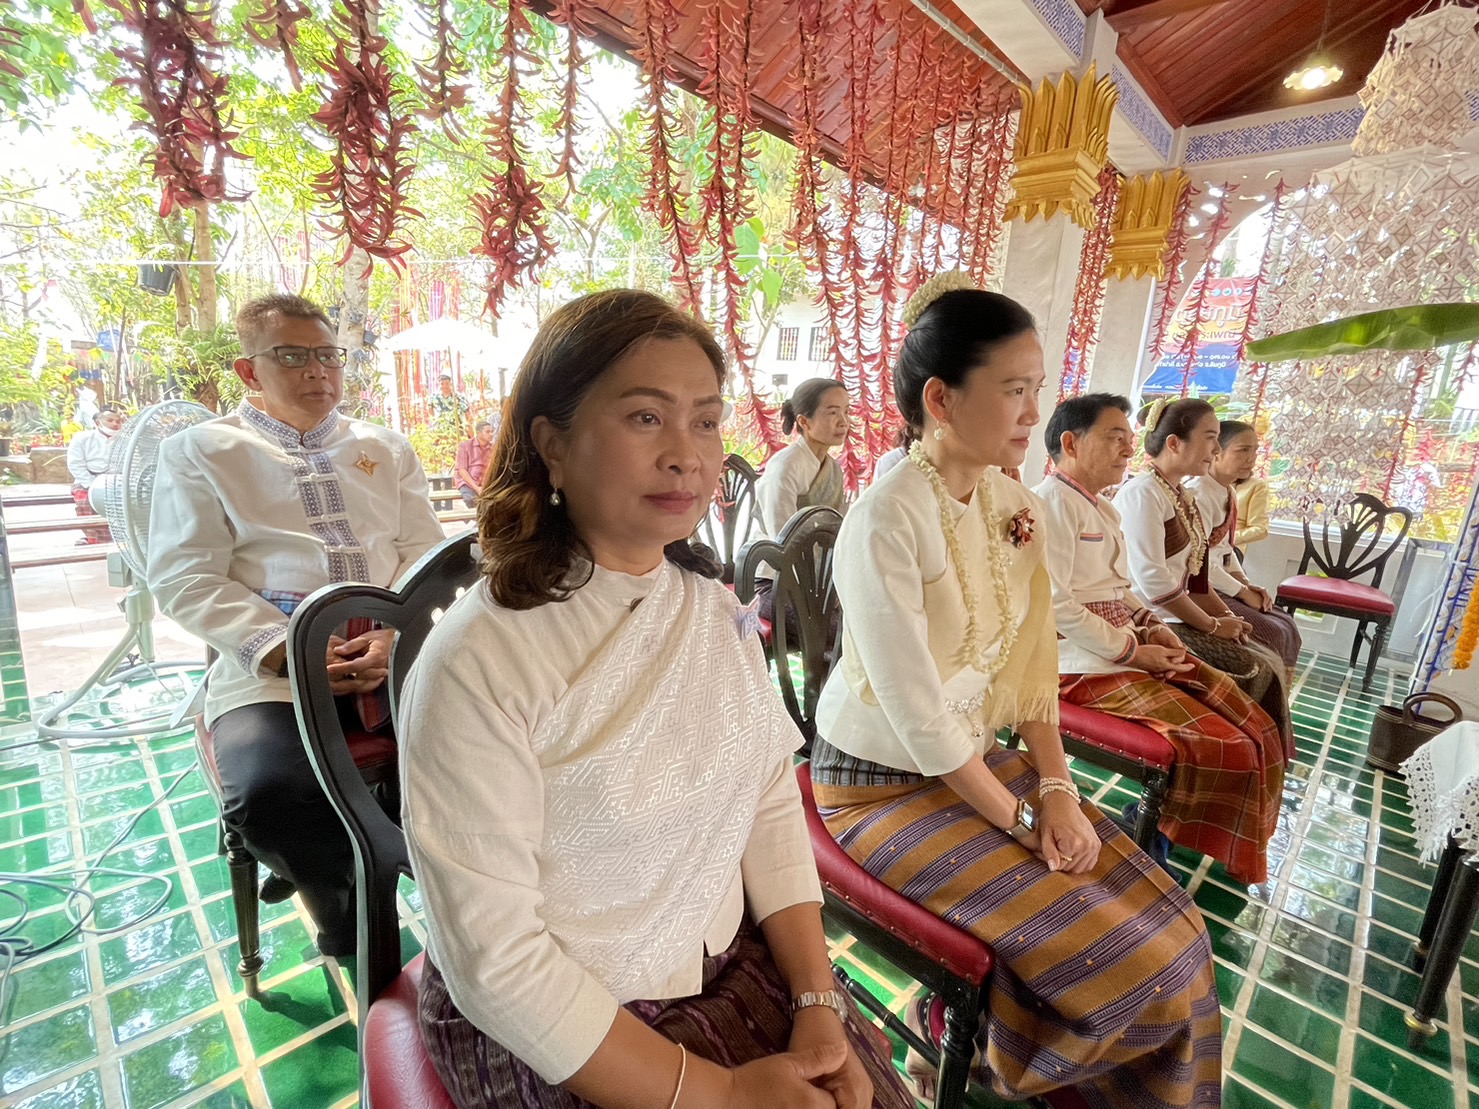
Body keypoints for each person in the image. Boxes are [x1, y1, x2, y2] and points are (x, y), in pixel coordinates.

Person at [398, 290, 912, 1109]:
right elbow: (498, 959)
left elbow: (767, 806)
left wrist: (818, 1002)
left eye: (705, 421)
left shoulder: (712, 608)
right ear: (552, 444)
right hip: (557, 1021)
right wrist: (719, 1093)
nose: (686, 455)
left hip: (724, 958)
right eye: (645, 418)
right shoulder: (480, 657)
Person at [810, 272, 1223, 1108]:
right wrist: (1026, 817)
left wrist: (1060, 789)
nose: (1036, 412)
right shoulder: (884, 515)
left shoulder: (1006, 502)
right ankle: (995, 1060)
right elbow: (919, 717)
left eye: (1037, 388)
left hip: (973, 762)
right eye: (1014, 390)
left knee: (1177, 930)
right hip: (875, 785)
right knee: (1128, 962)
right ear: (942, 398)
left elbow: (1032, 663)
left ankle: (1009, 1061)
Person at [147, 293, 445, 957]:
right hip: (273, 670)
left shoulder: (383, 448)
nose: (318, 372)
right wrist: (287, 652)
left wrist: (398, 630)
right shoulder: (204, 451)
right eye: (293, 355)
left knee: (486, 746)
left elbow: (424, 551)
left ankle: (418, 876)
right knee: (268, 797)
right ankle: (339, 908)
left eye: (328, 355)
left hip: (389, 651)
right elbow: (183, 577)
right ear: (249, 370)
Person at [1035, 393, 1285, 884]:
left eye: (1129, 438)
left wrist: (1148, 629)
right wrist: (1133, 649)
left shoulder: (1099, 506)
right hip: (1075, 662)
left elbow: (1123, 589)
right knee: (1227, 744)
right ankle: (1155, 837)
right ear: (1070, 442)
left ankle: (1158, 833)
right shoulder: (1050, 504)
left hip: (1120, 646)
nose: (1129, 448)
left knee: (1251, 717)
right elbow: (1055, 605)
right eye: (1115, 437)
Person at [1116, 398, 1293, 758]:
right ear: (1174, 444)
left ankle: (1255, 767)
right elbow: (1154, 582)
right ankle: (1221, 765)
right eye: (1210, 437)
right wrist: (1212, 626)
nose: (1215, 448)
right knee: (1253, 670)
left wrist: (1227, 616)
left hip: (1179, 613)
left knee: (1267, 658)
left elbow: (1196, 572)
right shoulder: (1142, 494)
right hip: (1152, 618)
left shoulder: (1181, 494)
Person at [1188, 420, 1302, 671]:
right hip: (1199, 586)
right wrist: (1241, 591)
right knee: (1271, 632)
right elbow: (1200, 562)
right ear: (1216, 452)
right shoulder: (1198, 494)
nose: (1251, 459)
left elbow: (1226, 548)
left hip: (1221, 580)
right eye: (1243, 450)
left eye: (1254, 451)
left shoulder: (1226, 491)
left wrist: (1246, 582)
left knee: (1286, 624)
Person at [753, 376, 852, 630]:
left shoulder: (833, 470)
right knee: (835, 632)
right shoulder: (784, 467)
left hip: (817, 585)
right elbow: (782, 543)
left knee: (860, 624)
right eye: (832, 412)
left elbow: (838, 532)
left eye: (846, 411)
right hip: (772, 582)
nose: (843, 421)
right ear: (804, 422)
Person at [67, 402, 125, 544]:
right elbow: (75, 464)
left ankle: (121, 539)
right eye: (110, 420)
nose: (114, 424)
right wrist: (92, 485)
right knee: (84, 502)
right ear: (98, 422)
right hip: (86, 481)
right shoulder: (82, 438)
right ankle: (93, 540)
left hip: (116, 482)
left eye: (118, 421)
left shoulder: (126, 440)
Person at [454, 419, 495, 508]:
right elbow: (462, 470)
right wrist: (477, 488)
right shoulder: (465, 446)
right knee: (471, 499)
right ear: (479, 433)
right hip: (468, 483)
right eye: (487, 432)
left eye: (492, 432)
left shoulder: (494, 448)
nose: (491, 434)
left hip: (486, 484)